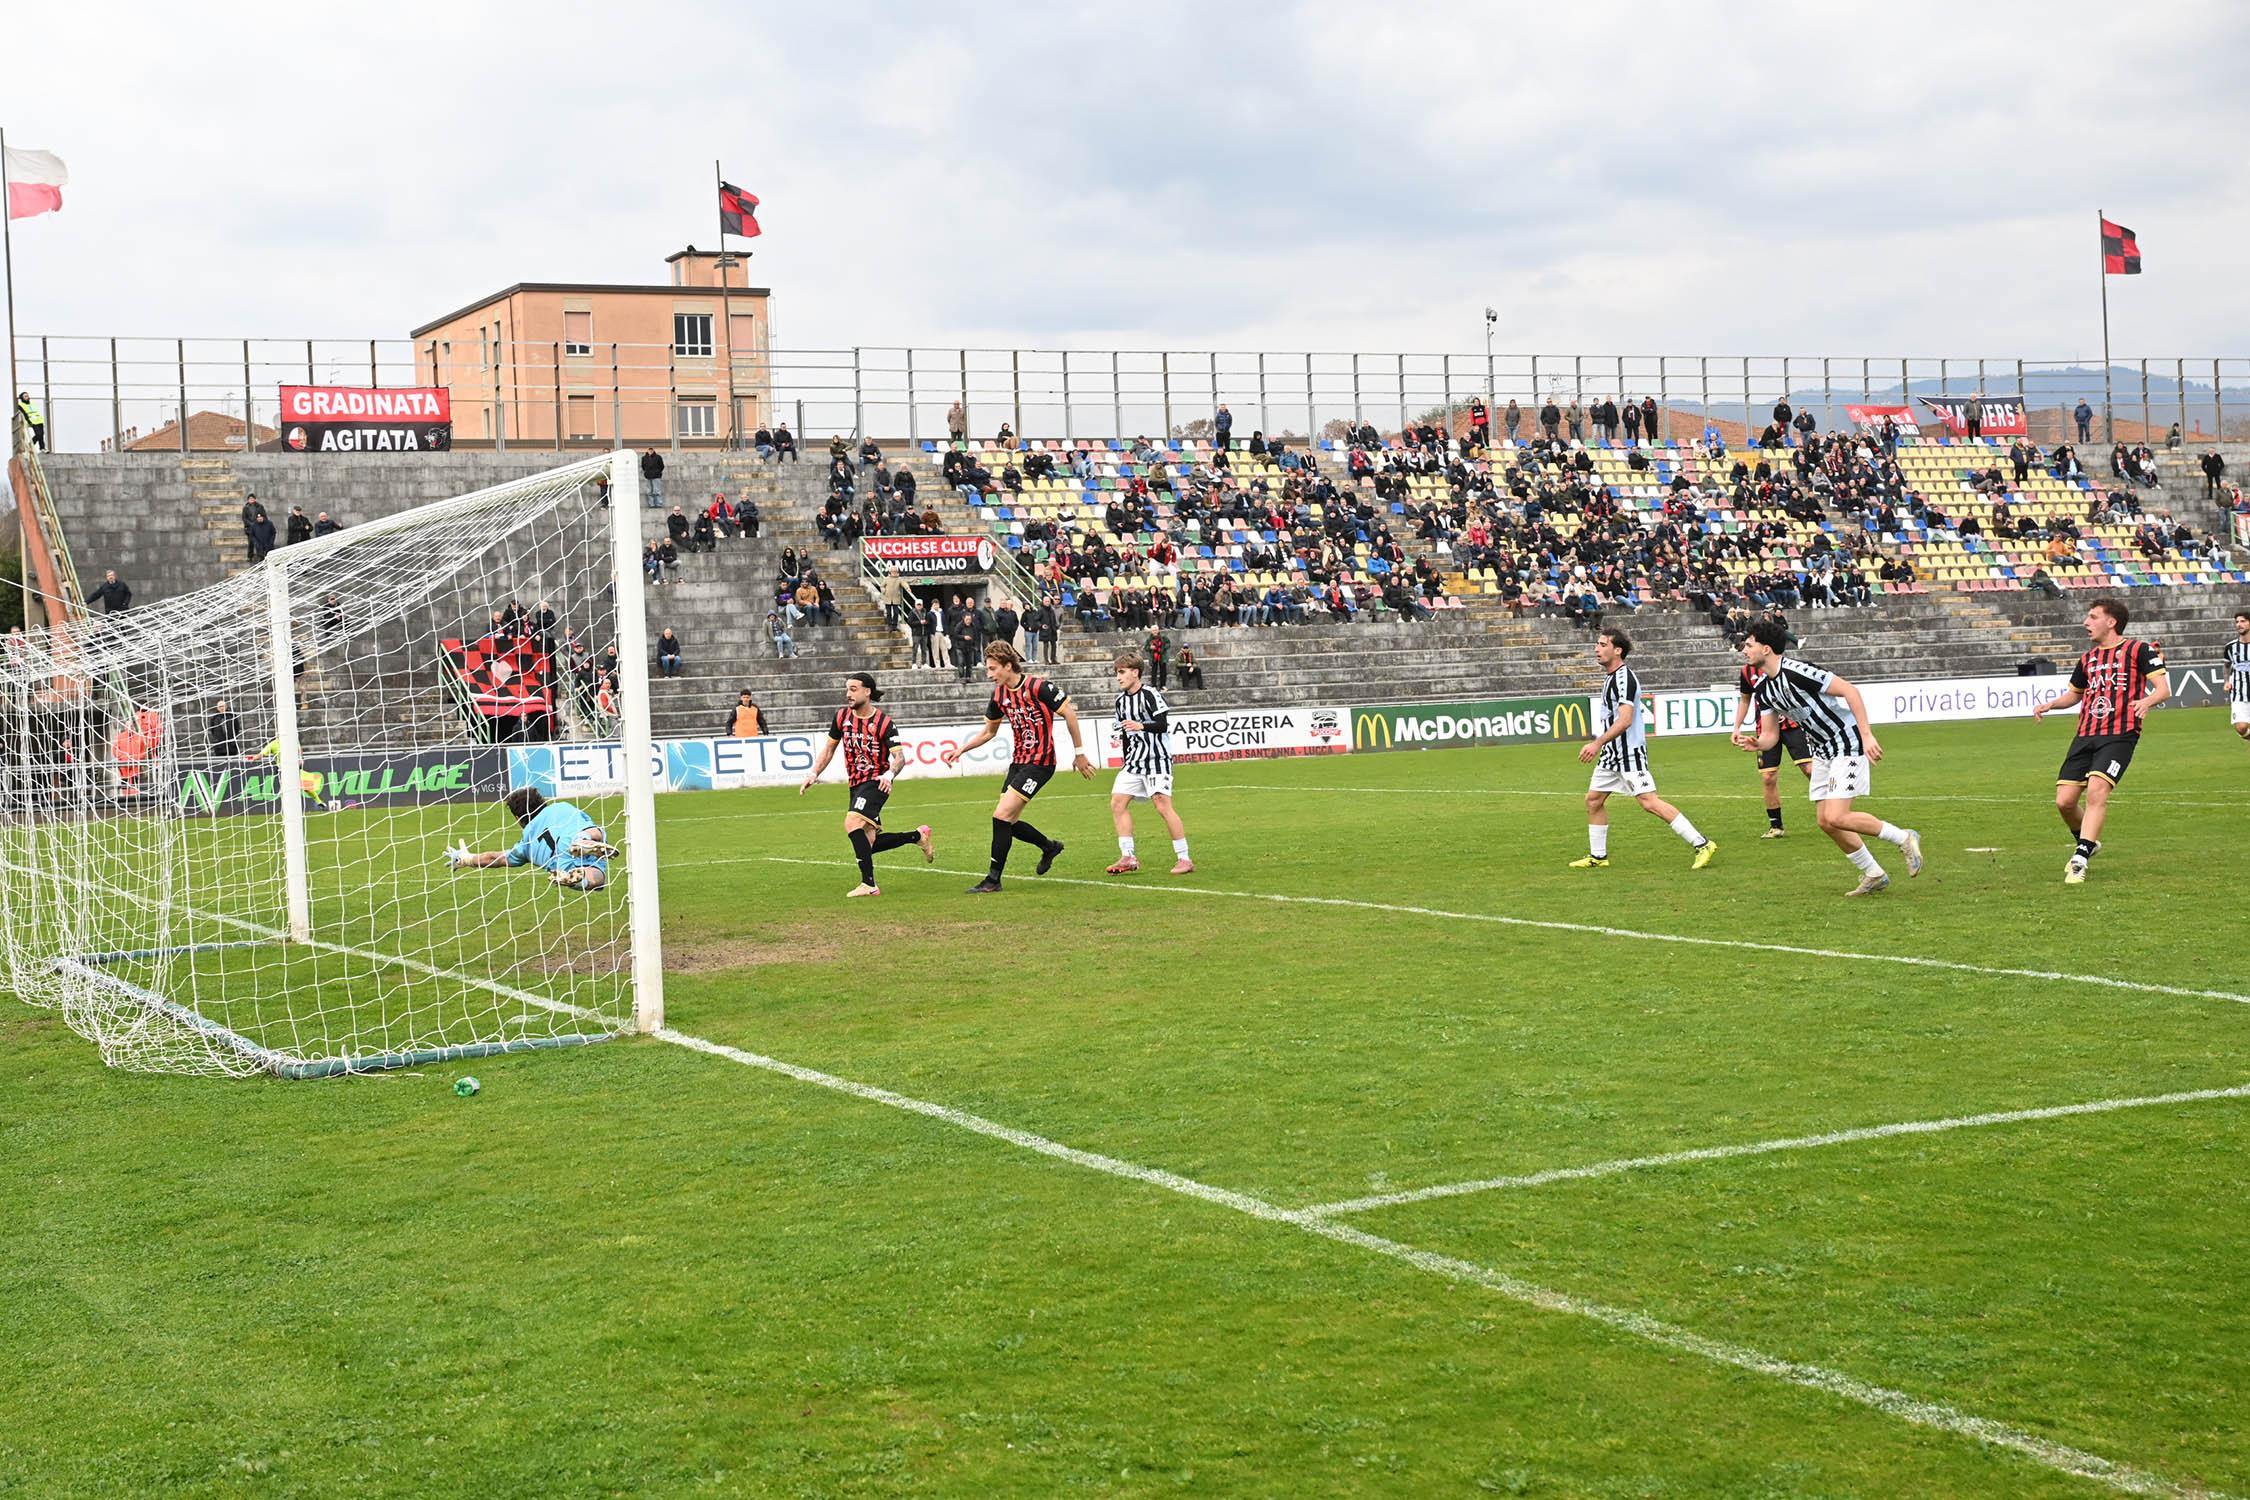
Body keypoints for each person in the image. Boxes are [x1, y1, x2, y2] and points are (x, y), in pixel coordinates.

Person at [1734, 618, 1923, 895]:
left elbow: (1850, 691)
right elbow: (1771, 735)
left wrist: (1867, 735)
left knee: (1837, 815)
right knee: (1825, 821)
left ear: (1766, 649)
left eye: (1749, 645)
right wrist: (1757, 743)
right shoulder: (1763, 689)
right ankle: (1873, 873)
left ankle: (1904, 837)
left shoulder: (1799, 671)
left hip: (1845, 740)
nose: (1744, 650)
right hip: (1821, 750)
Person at [2031, 597, 2170, 884]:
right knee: (2064, 802)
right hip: (2085, 734)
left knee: (2096, 791)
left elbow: (2163, 689)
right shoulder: (2087, 659)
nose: (2086, 622)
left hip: (2120, 734)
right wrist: (2051, 705)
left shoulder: (2138, 650)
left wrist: (2147, 701)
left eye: (2093, 617)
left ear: (2111, 621)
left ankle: (2080, 859)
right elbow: (2075, 695)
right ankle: (2088, 842)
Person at [942, 641, 1094, 893]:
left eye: (993, 668)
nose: (989, 674)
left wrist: (1079, 754)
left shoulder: (1038, 687)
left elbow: (1069, 714)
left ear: (1008, 665)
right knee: (1007, 822)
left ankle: (993, 880)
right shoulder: (999, 695)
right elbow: (989, 731)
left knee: (1000, 816)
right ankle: (1049, 847)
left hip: (1041, 763)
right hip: (1019, 763)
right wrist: (961, 750)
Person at [1569, 629, 1715, 870]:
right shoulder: (1611, 677)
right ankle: (1598, 856)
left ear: (1617, 650)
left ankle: (1702, 843)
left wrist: (1596, 743)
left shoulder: (1624, 679)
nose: (1596, 649)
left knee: (1649, 802)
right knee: (1593, 800)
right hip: (1612, 755)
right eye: (1597, 644)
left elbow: (1625, 720)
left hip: (1628, 754)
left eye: (1602, 644)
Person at [799, 672, 932, 898]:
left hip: (877, 783)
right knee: (868, 843)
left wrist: (889, 775)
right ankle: (917, 836)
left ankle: (869, 884)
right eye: (847, 689)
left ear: (867, 691)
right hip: (855, 785)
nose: (848, 694)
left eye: (853, 689)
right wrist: (814, 773)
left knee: (852, 822)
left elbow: (900, 758)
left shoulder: (884, 722)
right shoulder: (842, 717)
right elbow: (829, 749)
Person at [1104, 654, 1192, 875]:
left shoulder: (1150, 694)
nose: (1118, 677)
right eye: (1117, 673)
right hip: (1134, 762)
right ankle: (1128, 856)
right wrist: (1126, 759)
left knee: (1162, 806)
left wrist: (1141, 725)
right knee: (1117, 803)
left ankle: (1184, 858)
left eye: (1122, 672)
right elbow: (1125, 733)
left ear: (1135, 672)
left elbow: (1162, 724)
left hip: (1157, 759)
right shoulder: (1120, 701)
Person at [444, 786, 617, 891]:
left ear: (518, 818)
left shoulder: (525, 845)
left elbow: (495, 858)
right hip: (576, 840)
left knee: (594, 878)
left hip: (561, 864)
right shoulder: (561, 807)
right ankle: (583, 840)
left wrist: (466, 859)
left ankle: (579, 879)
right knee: (595, 833)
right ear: (543, 802)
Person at [1732, 657, 1811, 836]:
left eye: (1748, 645)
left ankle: (1834, 812)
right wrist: (1736, 727)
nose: (1745, 651)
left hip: (1794, 725)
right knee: (1768, 777)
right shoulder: (1747, 672)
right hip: (1765, 730)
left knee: (1810, 769)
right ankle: (1776, 826)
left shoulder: (1786, 665)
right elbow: (1745, 700)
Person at [2225, 610, 2250, 746]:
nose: (2239, 624)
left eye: (2243, 621)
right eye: (2237, 622)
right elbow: (2227, 665)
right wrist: (2226, 681)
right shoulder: (2230, 647)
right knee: (2241, 728)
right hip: (2239, 692)